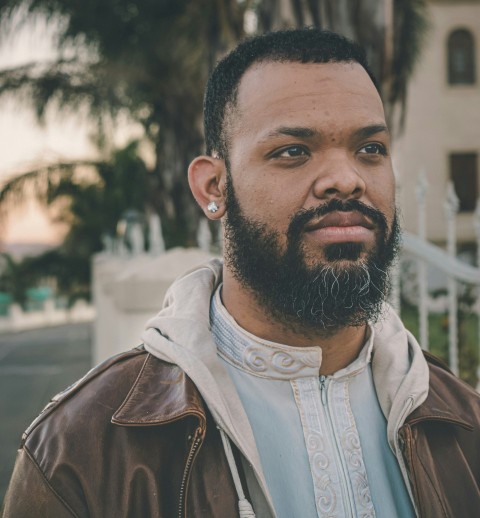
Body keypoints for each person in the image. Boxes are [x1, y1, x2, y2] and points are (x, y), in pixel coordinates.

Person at [3, 28, 480, 518]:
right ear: (214, 186)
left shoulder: (464, 424)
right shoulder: (79, 452)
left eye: (371, 149)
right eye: (293, 150)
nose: (346, 178)